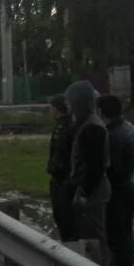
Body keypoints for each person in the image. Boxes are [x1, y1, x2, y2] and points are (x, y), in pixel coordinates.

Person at [64, 80, 111, 266]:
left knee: (95, 237)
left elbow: (94, 167)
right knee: (88, 234)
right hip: (89, 187)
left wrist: (82, 192)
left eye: (69, 102)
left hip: (93, 190)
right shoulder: (84, 123)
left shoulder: (92, 127)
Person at [98, 94, 134, 266]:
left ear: (102, 112)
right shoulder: (128, 127)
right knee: (125, 232)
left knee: (117, 234)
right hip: (128, 186)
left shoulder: (113, 135)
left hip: (117, 189)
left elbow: (114, 168)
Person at [46, 95, 77, 242]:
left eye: (51, 108)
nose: (50, 112)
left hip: (62, 178)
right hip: (61, 177)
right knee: (62, 216)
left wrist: (55, 169)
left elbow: (62, 153)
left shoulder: (64, 127)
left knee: (64, 216)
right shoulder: (64, 125)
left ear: (57, 110)